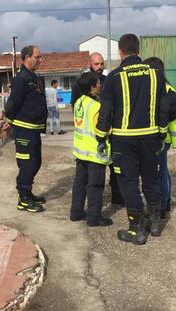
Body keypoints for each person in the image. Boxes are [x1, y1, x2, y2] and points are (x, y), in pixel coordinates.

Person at [95, 34, 170, 245]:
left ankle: (136, 228)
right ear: (138, 49)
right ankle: (155, 224)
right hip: (150, 137)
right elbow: (163, 108)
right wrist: (161, 133)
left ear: (120, 51)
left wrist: (101, 137)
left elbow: (105, 111)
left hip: (123, 141)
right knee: (151, 179)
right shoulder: (155, 74)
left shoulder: (114, 77)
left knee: (128, 183)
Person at [71, 52, 124, 206]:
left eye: (102, 64)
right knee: (93, 179)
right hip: (94, 137)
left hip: (108, 131)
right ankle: (92, 212)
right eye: (96, 64)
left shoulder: (108, 81)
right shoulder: (81, 84)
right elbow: (76, 108)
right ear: (90, 64)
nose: (100, 67)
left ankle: (117, 196)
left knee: (115, 167)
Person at [4, 45, 47, 213]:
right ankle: (23, 199)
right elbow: (13, 102)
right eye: (38, 57)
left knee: (36, 162)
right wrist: (9, 120)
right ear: (27, 57)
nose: (40, 60)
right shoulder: (21, 78)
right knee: (28, 163)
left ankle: (28, 193)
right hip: (24, 130)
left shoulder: (32, 77)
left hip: (34, 129)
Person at [70, 72, 113, 227]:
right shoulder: (96, 106)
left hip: (81, 151)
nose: (100, 85)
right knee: (95, 185)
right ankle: (94, 217)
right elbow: (100, 129)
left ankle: (76, 212)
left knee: (80, 182)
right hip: (94, 152)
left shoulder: (79, 102)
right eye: (98, 83)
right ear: (92, 87)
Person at [143, 57, 176, 220]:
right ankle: (165, 204)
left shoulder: (163, 89)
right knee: (163, 171)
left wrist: (163, 121)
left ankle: (159, 208)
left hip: (160, 139)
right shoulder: (163, 87)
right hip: (162, 138)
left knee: (158, 174)